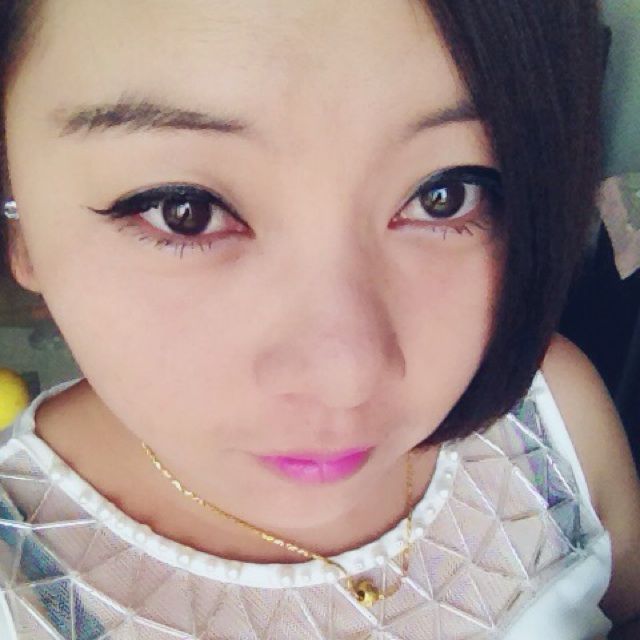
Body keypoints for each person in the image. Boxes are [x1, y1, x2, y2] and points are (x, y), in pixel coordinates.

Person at [0, 1, 639, 638]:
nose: (346, 380)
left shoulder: (550, 417)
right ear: (19, 221)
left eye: (444, 195)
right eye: (183, 210)